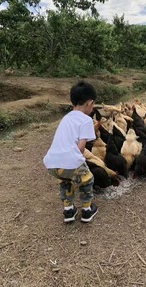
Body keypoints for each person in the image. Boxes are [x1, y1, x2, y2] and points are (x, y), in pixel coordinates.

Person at [43, 81, 98, 223]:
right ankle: (87, 210)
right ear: (89, 103)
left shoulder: (66, 118)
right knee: (87, 179)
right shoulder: (86, 120)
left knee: (66, 181)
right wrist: (80, 163)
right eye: (93, 105)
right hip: (70, 161)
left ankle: (68, 211)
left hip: (51, 163)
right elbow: (80, 148)